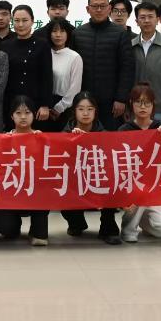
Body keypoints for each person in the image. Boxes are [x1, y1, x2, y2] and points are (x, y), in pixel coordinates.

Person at [118, 83, 161, 242]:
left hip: (158, 190)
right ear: (132, 104)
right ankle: (128, 228)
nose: (143, 106)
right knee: (141, 186)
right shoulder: (124, 130)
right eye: (138, 102)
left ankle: (145, 223)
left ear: (153, 105)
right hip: (133, 189)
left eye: (147, 103)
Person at [61, 91, 120, 245]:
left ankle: (108, 227)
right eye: (81, 109)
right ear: (74, 111)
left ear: (95, 111)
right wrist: (72, 141)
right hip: (75, 182)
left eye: (90, 109)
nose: (85, 113)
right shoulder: (64, 134)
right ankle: (76, 223)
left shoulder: (105, 135)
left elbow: (112, 165)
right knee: (60, 188)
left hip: (99, 180)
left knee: (113, 182)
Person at [0, 96, 48, 246]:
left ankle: (37, 231)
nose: (23, 117)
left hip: (34, 193)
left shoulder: (41, 138)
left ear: (34, 114)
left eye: (27, 112)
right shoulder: (4, 139)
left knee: (44, 196)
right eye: (18, 113)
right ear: (11, 116)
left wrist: (43, 142)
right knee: (7, 229)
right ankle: (12, 226)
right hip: (11, 193)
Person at [73, 0, 135, 131]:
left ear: (109, 8)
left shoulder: (120, 33)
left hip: (112, 102)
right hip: (84, 101)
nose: (99, 10)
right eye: (95, 6)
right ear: (88, 9)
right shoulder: (78, 33)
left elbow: (127, 68)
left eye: (103, 6)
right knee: (83, 137)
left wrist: (121, 99)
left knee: (109, 139)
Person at [0, 5, 53, 128]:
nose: (20, 24)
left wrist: (45, 105)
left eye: (25, 20)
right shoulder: (4, 46)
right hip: (11, 102)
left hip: (35, 102)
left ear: (32, 21)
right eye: (16, 20)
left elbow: (47, 76)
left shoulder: (42, 45)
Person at [44, 19, 82, 132]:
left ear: (68, 34)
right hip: (44, 106)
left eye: (62, 31)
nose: (58, 35)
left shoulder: (74, 57)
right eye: (54, 31)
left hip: (65, 108)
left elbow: (75, 88)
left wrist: (59, 108)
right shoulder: (44, 53)